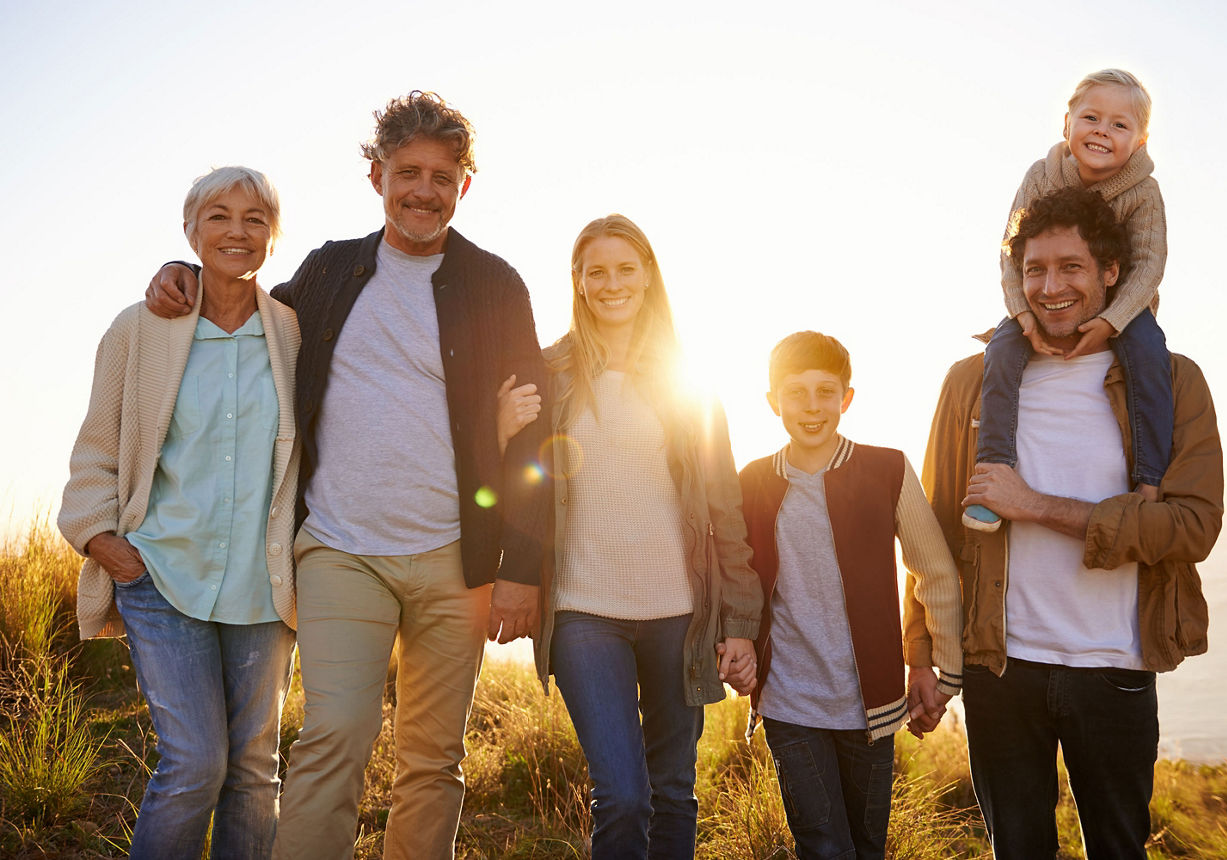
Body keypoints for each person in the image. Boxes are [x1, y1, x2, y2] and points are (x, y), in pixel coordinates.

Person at [145, 92, 549, 860]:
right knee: (334, 737)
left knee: (434, 761)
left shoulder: (497, 286)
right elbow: (245, 312)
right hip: (339, 551)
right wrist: (181, 270)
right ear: (376, 176)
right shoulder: (329, 270)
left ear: (466, 184)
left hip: (456, 560)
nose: (424, 189)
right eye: (408, 172)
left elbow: (535, 442)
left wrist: (521, 569)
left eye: (442, 174)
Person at [922, 187, 1223, 860]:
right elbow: (933, 535)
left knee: (1119, 849)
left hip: (1113, 668)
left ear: (1112, 271)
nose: (1050, 288)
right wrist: (924, 653)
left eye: (1071, 268)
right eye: (1035, 270)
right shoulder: (971, 383)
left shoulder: (1172, 384)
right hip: (999, 669)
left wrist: (1035, 506)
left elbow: (1191, 528)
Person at [501, 214, 762, 859]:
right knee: (622, 793)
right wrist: (499, 432)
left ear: (647, 278)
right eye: (597, 271)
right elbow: (514, 483)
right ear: (579, 283)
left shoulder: (688, 381)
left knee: (673, 790)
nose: (612, 282)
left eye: (626, 268)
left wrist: (739, 620)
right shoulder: (549, 371)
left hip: (680, 616)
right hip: (584, 611)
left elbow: (725, 511)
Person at [59, 166, 300, 859]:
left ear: (273, 238)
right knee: (196, 764)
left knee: (255, 772)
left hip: (263, 587)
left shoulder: (293, 334)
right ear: (189, 230)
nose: (237, 230)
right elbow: (97, 447)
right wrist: (104, 542)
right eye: (218, 216)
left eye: (255, 218)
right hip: (161, 576)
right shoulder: (140, 329)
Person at [736, 331, 963, 860]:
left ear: (847, 398)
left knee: (867, 847)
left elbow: (935, 573)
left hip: (872, 706)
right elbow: (733, 575)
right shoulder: (750, 481)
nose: (811, 407)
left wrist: (941, 671)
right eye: (796, 392)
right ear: (773, 402)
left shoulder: (887, 470)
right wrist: (733, 641)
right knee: (823, 846)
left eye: (825, 391)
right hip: (789, 700)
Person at [968, 69, 1171, 531]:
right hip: (1039, 303)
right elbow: (1011, 251)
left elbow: (1149, 265)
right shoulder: (1042, 175)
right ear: (1067, 124)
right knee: (1001, 350)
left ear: (1140, 142)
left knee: (1150, 357)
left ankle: (1148, 480)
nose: (1102, 130)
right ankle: (994, 469)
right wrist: (1021, 311)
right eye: (1091, 117)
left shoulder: (1143, 191)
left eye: (1120, 125)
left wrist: (1112, 321)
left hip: (1126, 304)